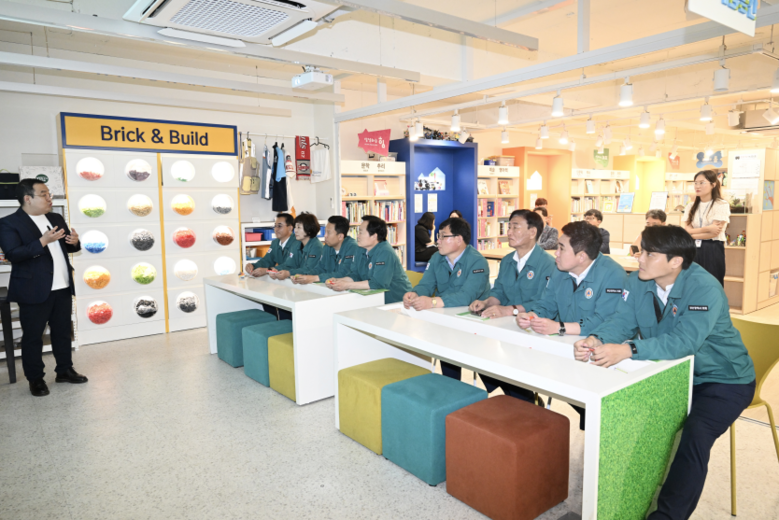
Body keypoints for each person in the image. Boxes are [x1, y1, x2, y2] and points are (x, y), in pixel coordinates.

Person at [574, 225, 755, 520]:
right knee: (627, 418)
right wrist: (597, 339)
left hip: (722, 380)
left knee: (695, 435)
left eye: (649, 254)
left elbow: (684, 342)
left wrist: (629, 349)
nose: (640, 258)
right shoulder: (638, 281)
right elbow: (622, 321)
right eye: (640, 251)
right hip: (671, 373)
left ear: (676, 261)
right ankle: (618, 504)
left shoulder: (704, 287)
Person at [517, 220, 627, 428]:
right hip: (567, 348)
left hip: (599, 354)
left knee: (595, 410)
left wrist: (559, 327)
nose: (555, 253)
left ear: (581, 256)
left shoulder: (613, 274)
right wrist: (532, 315)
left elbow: (606, 320)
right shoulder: (560, 268)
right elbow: (547, 303)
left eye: (561, 248)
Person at [0, 179, 86, 397]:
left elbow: (68, 247)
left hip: (62, 286)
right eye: (44, 194)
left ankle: (64, 370)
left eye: (50, 194)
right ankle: (35, 379)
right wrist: (42, 241)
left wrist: (74, 242)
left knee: (62, 332)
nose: (50, 198)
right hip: (33, 289)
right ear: (27, 198)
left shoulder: (55, 218)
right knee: (33, 337)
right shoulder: (9, 223)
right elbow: (13, 254)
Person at [468, 209, 556, 403]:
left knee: (515, 369)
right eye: (508, 227)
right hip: (507, 326)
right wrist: (486, 302)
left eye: (515, 227)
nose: (508, 232)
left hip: (534, 329)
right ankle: (519, 399)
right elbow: (499, 291)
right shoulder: (508, 260)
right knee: (479, 354)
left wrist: (510, 310)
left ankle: (528, 402)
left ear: (532, 232)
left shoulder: (548, 264)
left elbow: (544, 302)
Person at [404, 217, 490, 383]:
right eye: (438, 236)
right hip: (447, 319)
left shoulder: (477, 261)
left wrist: (432, 302)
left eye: (443, 236)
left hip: (474, 324)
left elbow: (466, 296)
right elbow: (426, 284)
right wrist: (415, 294)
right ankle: (452, 389)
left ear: (459, 239)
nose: (438, 241)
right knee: (446, 354)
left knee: (489, 375)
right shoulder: (437, 258)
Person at [327, 216, 412, 303]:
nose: (358, 236)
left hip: (396, 301)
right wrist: (338, 281)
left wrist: (347, 285)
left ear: (374, 236)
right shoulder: (360, 248)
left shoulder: (385, 252)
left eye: (361, 233)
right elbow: (355, 275)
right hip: (374, 299)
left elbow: (378, 283)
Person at [683, 170, 730, 286]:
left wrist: (692, 234)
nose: (697, 186)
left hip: (712, 248)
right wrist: (707, 228)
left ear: (713, 185)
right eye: (695, 183)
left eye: (702, 183)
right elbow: (687, 230)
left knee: (712, 283)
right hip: (692, 248)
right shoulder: (690, 206)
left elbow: (714, 233)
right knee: (692, 284)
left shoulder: (721, 204)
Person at [291, 215, 361, 285]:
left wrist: (315, 278)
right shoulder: (327, 246)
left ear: (340, 236)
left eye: (329, 233)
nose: (325, 235)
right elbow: (320, 268)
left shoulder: (353, 248)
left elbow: (344, 273)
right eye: (325, 232)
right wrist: (304, 276)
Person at [273, 213, 324, 280]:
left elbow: (309, 270)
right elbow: (289, 264)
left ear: (309, 229)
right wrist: (275, 270)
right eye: (295, 227)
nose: (295, 230)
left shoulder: (316, 247)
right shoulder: (296, 244)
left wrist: (288, 273)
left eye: (299, 227)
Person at [244, 213, 298, 277]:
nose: (276, 229)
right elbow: (267, 260)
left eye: (279, 226)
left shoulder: (297, 243)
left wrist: (267, 270)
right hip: (282, 279)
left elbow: (289, 266)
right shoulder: (275, 243)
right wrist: (253, 266)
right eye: (275, 226)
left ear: (290, 228)